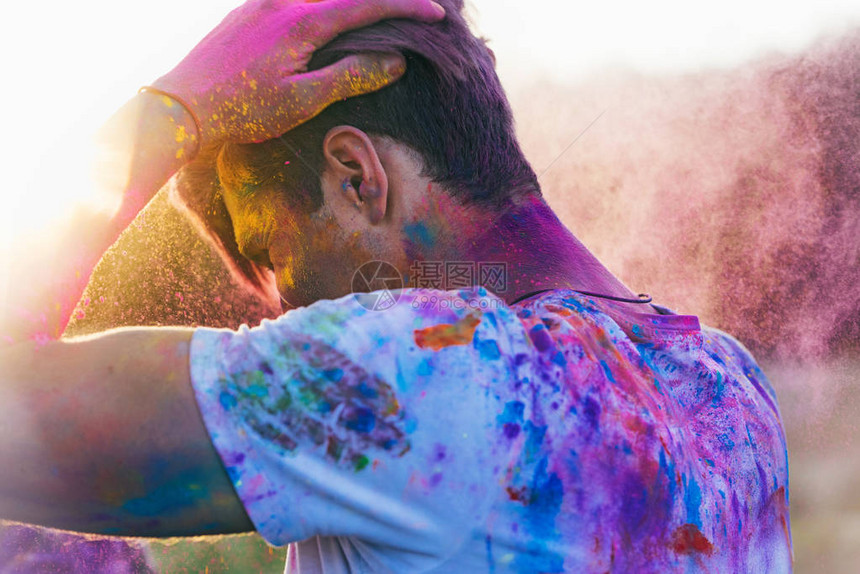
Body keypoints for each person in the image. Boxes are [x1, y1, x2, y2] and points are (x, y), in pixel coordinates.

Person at [0, 0, 793, 571]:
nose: (278, 305)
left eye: (270, 253)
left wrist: (168, 115)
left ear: (355, 176)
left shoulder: (417, 369)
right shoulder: (729, 386)